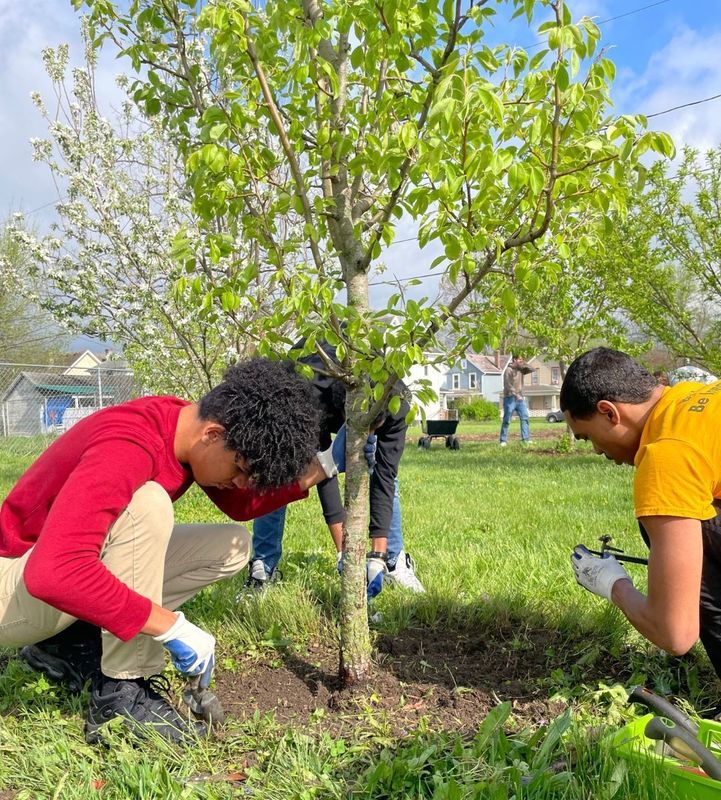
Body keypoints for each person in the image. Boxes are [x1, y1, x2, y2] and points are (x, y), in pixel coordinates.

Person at [0, 358, 345, 743]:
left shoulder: (186, 427)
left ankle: (70, 642)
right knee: (147, 504)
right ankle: (121, 694)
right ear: (213, 434)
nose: (240, 482)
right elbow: (54, 571)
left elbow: (240, 506)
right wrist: (170, 626)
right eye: (239, 469)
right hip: (13, 585)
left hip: (47, 575)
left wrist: (323, 465)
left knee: (232, 545)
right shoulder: (128, 444)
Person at [562, 346, 721, 687]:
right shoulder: (695, 396)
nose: (597, 451)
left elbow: (675, 634)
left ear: (609, 412)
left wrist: (610, 583)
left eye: (588, 437)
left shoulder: (666, 455)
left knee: (681, 525)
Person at [247, 342, 425, 596]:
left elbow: (385, 477)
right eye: (363, 428)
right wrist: (345, 550)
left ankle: (392, 561)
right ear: (344, 413)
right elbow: (323, 472)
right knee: (276, 471)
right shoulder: (309, 396)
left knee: (377, 465)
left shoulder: (398, 403)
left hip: (351, 392)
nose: (369, 434)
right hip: (305, 388)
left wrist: (376, 554)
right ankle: (263, 566)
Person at [499, 355, 533, 446]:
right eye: (519, 359)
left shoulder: (522, 369)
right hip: (510, 398)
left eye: (522, 359)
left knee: (525, 417)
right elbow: (508, 385)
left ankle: (525, 439)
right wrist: (516, 394)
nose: (521, 361)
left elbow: (532, 369)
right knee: (507, 420)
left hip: (520, 399)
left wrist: (523, 363)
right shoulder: (508, 370)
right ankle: (503, 440)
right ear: (514, 359)